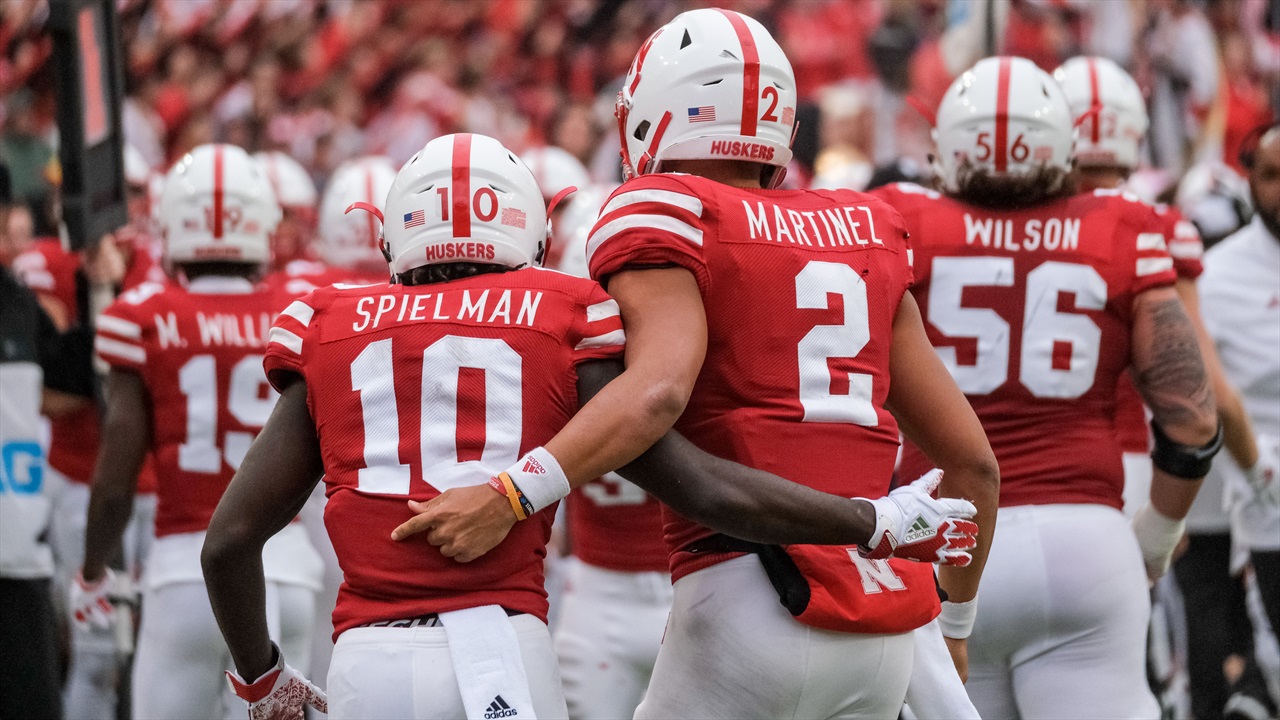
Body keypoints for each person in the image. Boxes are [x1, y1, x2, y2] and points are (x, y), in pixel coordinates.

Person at [201, 131, 983, 720]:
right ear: (533, 234)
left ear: (392, 236)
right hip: (505, 652)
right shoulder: (559, 317)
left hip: (367, 662)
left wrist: (263, 679)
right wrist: (869, 520)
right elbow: (701, 486)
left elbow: (229, 541)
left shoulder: (328, 324)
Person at [402, 10, 999, 718]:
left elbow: (657, 394)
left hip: (747, 593)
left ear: (656, 112)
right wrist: (956, 624)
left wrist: (510, 495)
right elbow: (974, 465)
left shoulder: (667, 210)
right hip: (881, 625)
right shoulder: (867, 227)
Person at [872, 55, 1222, 717]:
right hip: (1082, 544)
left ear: (948, 149)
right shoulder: (1122, 225)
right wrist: (1156, 534)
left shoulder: (898, 219)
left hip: (941, 539)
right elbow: (1193, 418)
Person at [1055, 55, 1277, 717]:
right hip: (1125, 464)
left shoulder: (994, 228)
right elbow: (1199, 391)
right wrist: (1248, 474)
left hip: (1014, 474)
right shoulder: (1155, 228)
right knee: (1134, 662)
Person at [76, 143, 322, 720]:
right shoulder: (301, 311)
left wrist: (92, 570)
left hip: (186, 573)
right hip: (288, 571)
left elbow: (116, 478)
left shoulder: (140, 313)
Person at [1208, 124, 1280, 640]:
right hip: (1268, 509)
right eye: (1272, 176)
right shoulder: (1216, 277)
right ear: (1249, 179)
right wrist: (1254, 475)